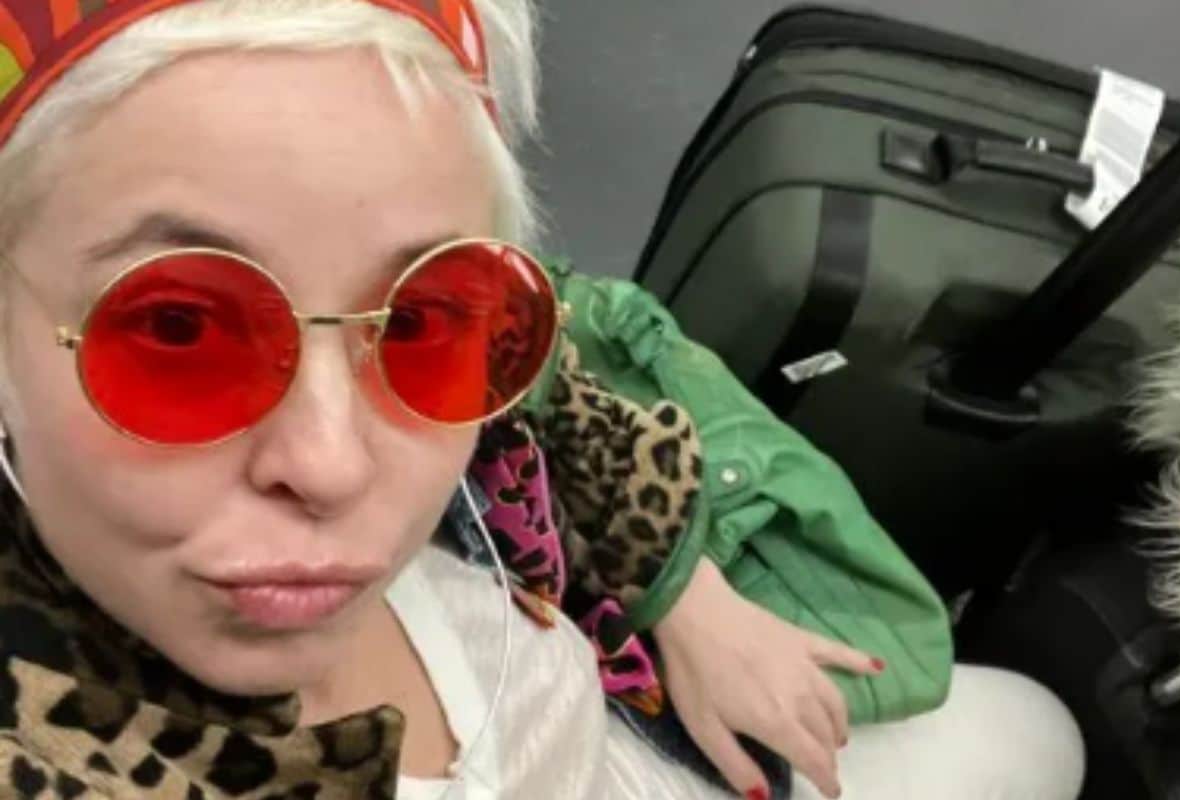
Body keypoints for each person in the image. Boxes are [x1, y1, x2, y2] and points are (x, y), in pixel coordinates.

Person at [0, 1, 1086, 798]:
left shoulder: (490, 368)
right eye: (178, 328)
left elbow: (551, 361)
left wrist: (680, 588)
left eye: (419, 320)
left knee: (1043, 729)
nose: (332, 461)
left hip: (631, 734)